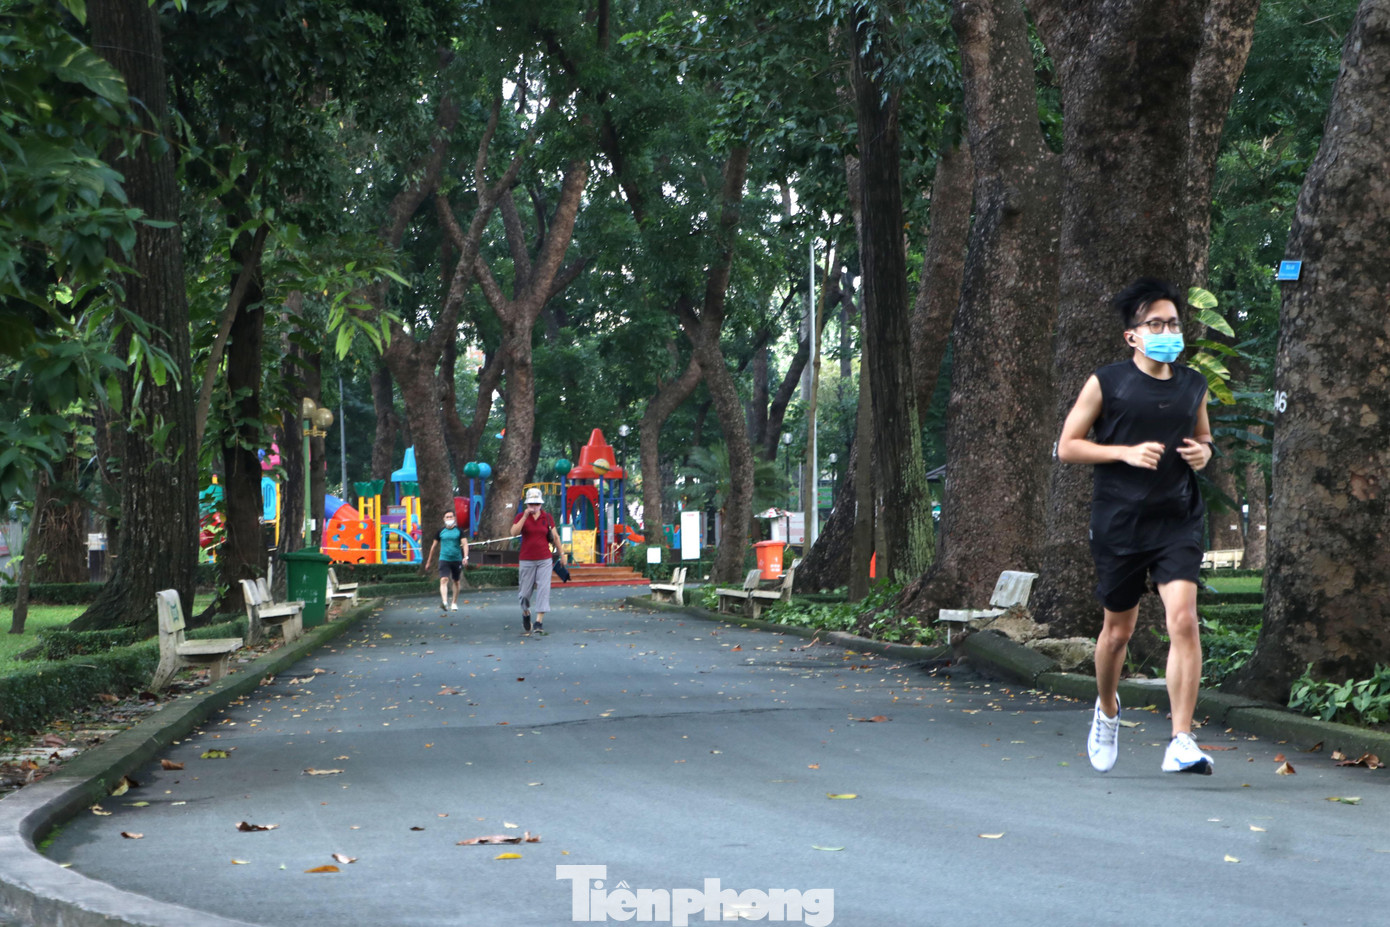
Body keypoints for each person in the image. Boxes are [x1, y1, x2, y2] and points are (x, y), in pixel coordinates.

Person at [1056, 277, 1216, 775]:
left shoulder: (1193, 384)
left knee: (1184, 620)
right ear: (1133, 335)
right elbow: (1068, 446)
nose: (1166, 330)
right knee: (1117, 632)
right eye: (1155, 323)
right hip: (1120, 523)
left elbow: (1205, 439)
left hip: (1177, 519)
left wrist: (1201, 454)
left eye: (1172, 322)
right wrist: (1123, 451)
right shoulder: (1107, 382)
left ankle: (1181, 739)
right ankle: (1106, 710)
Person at [510, 487, 565, 636]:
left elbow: (555, 537)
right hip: (526, 559)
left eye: (536, 504)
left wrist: (562, 554)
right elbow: (513, 532)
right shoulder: (521, 516)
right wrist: (524, 516)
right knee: (524, 593)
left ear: (541, 504)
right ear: (527, 504)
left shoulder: (547, 517)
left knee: (543, 589)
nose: (534, 507)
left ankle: (539, 621)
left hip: (544, 559)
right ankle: (526, 612)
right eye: (531, 504)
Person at [425, 508, 468, 612]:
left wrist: (465, 557)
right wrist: (428, 561)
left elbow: (465, 544)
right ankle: (444, 602)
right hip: (444, 559)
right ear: (444, 519)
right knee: (444, 579)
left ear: (454, 518)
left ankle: (454, 602)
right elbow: (433, 547)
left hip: (456, 559)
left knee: (456, 581)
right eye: (447, 517)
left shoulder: (459, 531)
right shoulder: (440, 532)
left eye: (451, 517)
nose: (449, 518)